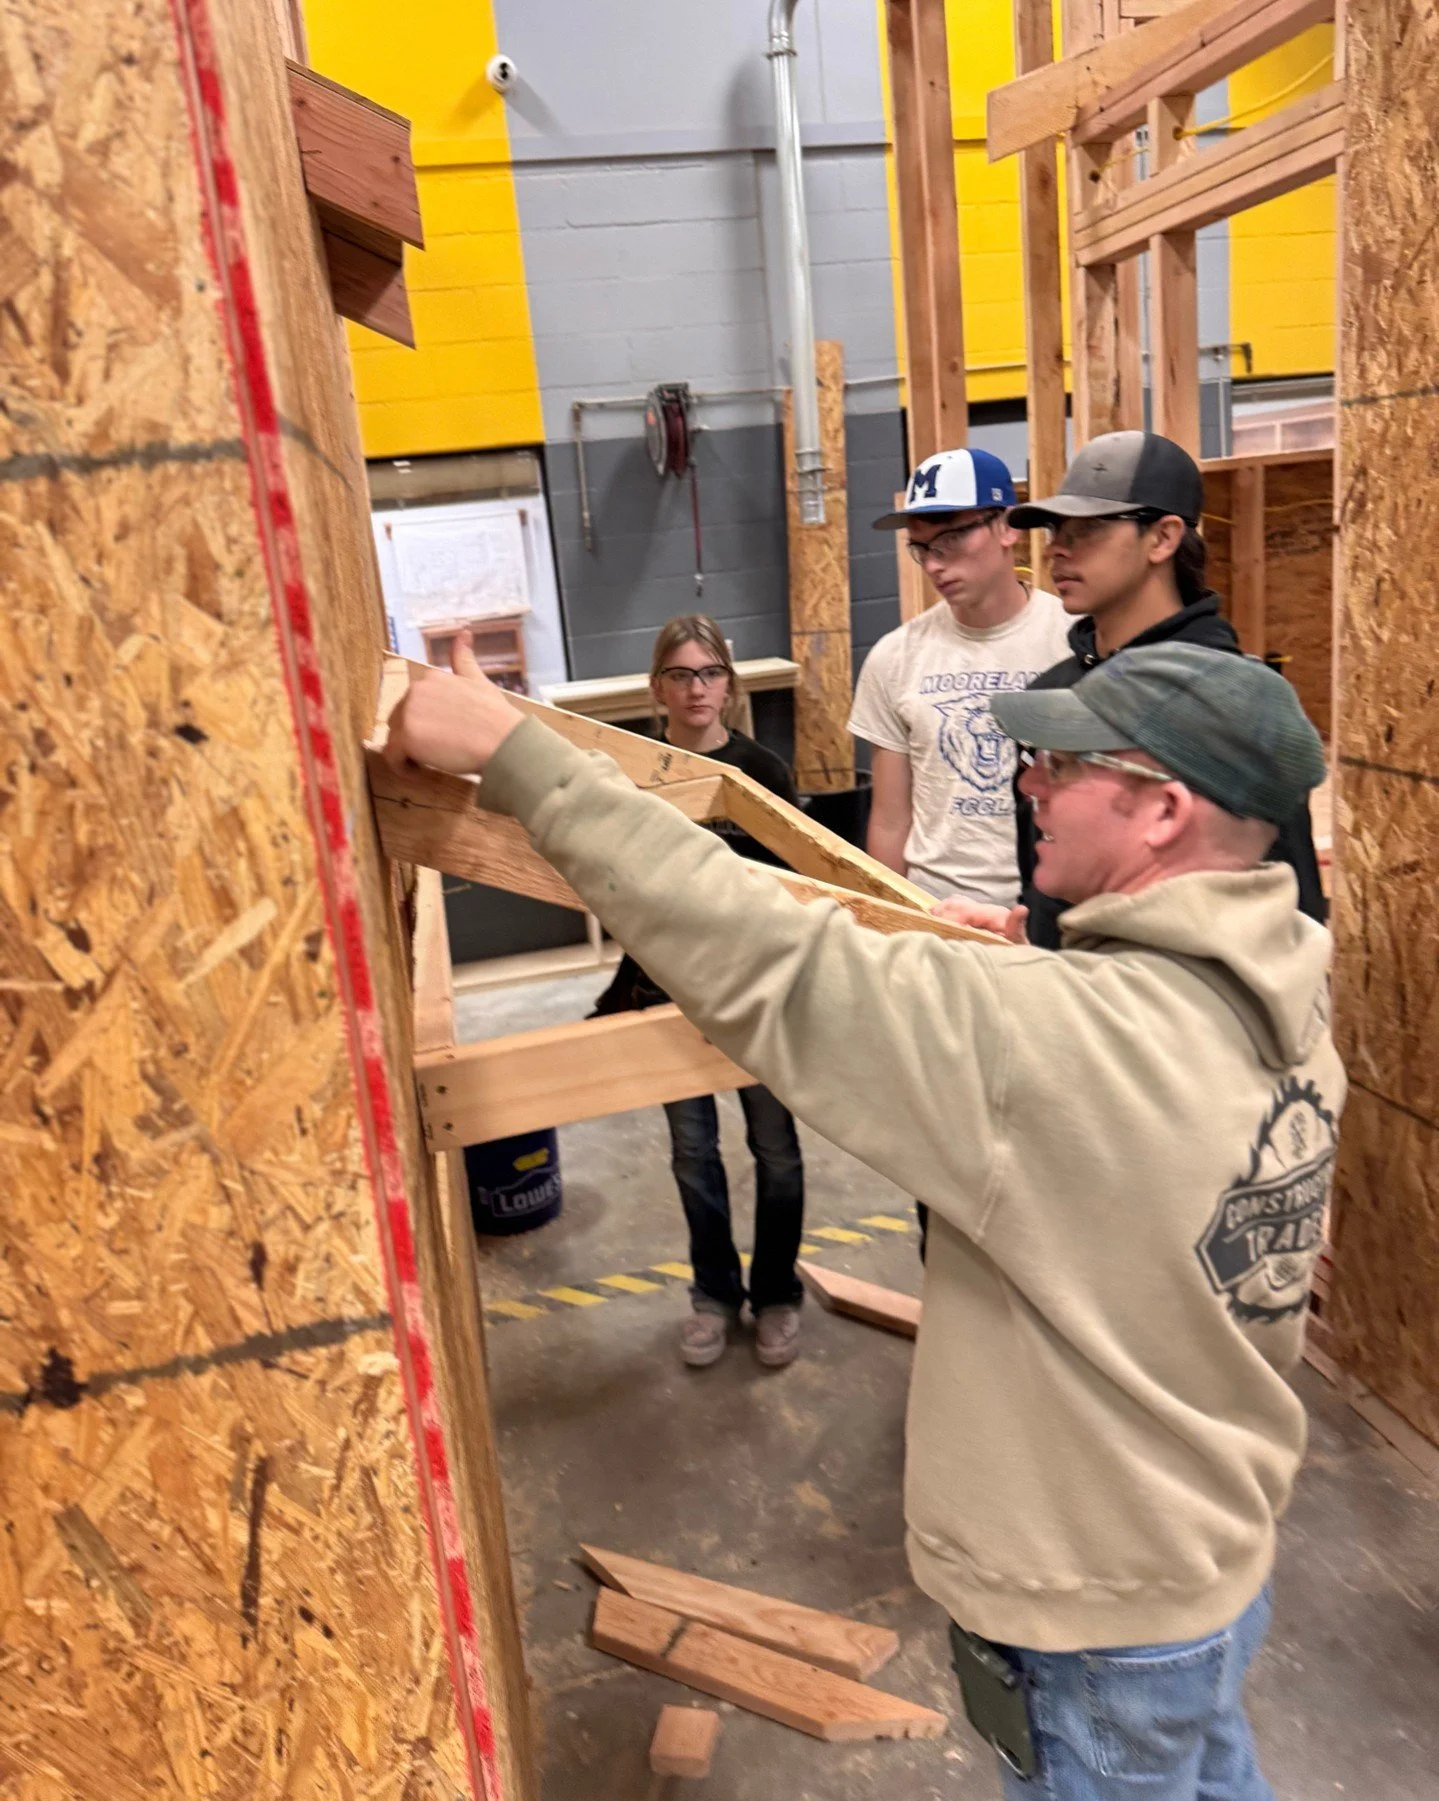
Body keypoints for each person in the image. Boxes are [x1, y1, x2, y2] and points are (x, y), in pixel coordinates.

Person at [386, 634, 1343, 1801]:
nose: (1025, 782)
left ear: (1158, 812)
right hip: (1214, 1555)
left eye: (1064, 765)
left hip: (1095, 1606)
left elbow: (761, 949)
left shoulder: (1052, 1044)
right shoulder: (1284, 999)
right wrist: (1050, 954)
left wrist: (514, 753)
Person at [994, 431, 1326, 950]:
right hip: (1065, 1002)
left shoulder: (1228, 702)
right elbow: (1040, 867)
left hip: (1175, 1013)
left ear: (1163, 538)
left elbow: (1292, 909)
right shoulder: (1054, 695)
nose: (1056, 547)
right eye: (1056, 527)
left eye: (1087, 528)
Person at [590, 615, 807, 1372]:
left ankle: (775, 1292)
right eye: (680, 675)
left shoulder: (764, 774)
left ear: (729, 683)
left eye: (709, 672)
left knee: (775, 1150)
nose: (696, 689)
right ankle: (713, 1294)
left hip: (755, 997)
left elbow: (800, 889)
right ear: (657, 688)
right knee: (693, 1152)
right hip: (667, 992)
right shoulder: (632, 777)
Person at [849, 446, 1071, 907]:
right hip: (940, 914)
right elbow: (890, 821)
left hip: (1049, 909)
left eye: (951, 540)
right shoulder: (895, 657)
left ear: (1007, 526)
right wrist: (896, 924)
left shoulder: (1072, 641)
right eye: (922, 548)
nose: (933, 564)